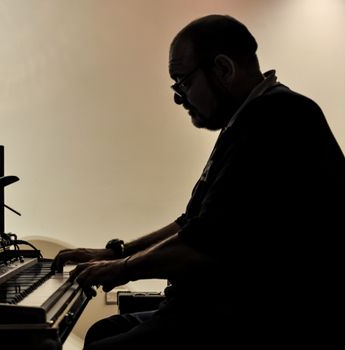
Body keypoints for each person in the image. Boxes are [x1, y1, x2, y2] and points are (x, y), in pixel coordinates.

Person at [53, 14, 345, 348]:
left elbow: (205, 245)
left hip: (247, 318)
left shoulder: (279, 118)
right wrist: (113, 253)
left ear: (223, 70)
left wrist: (122, 269)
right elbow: (193, 224)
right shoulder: (250, 119)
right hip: (212, 309)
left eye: (183, 82)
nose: (178, 98)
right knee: (101, 331)